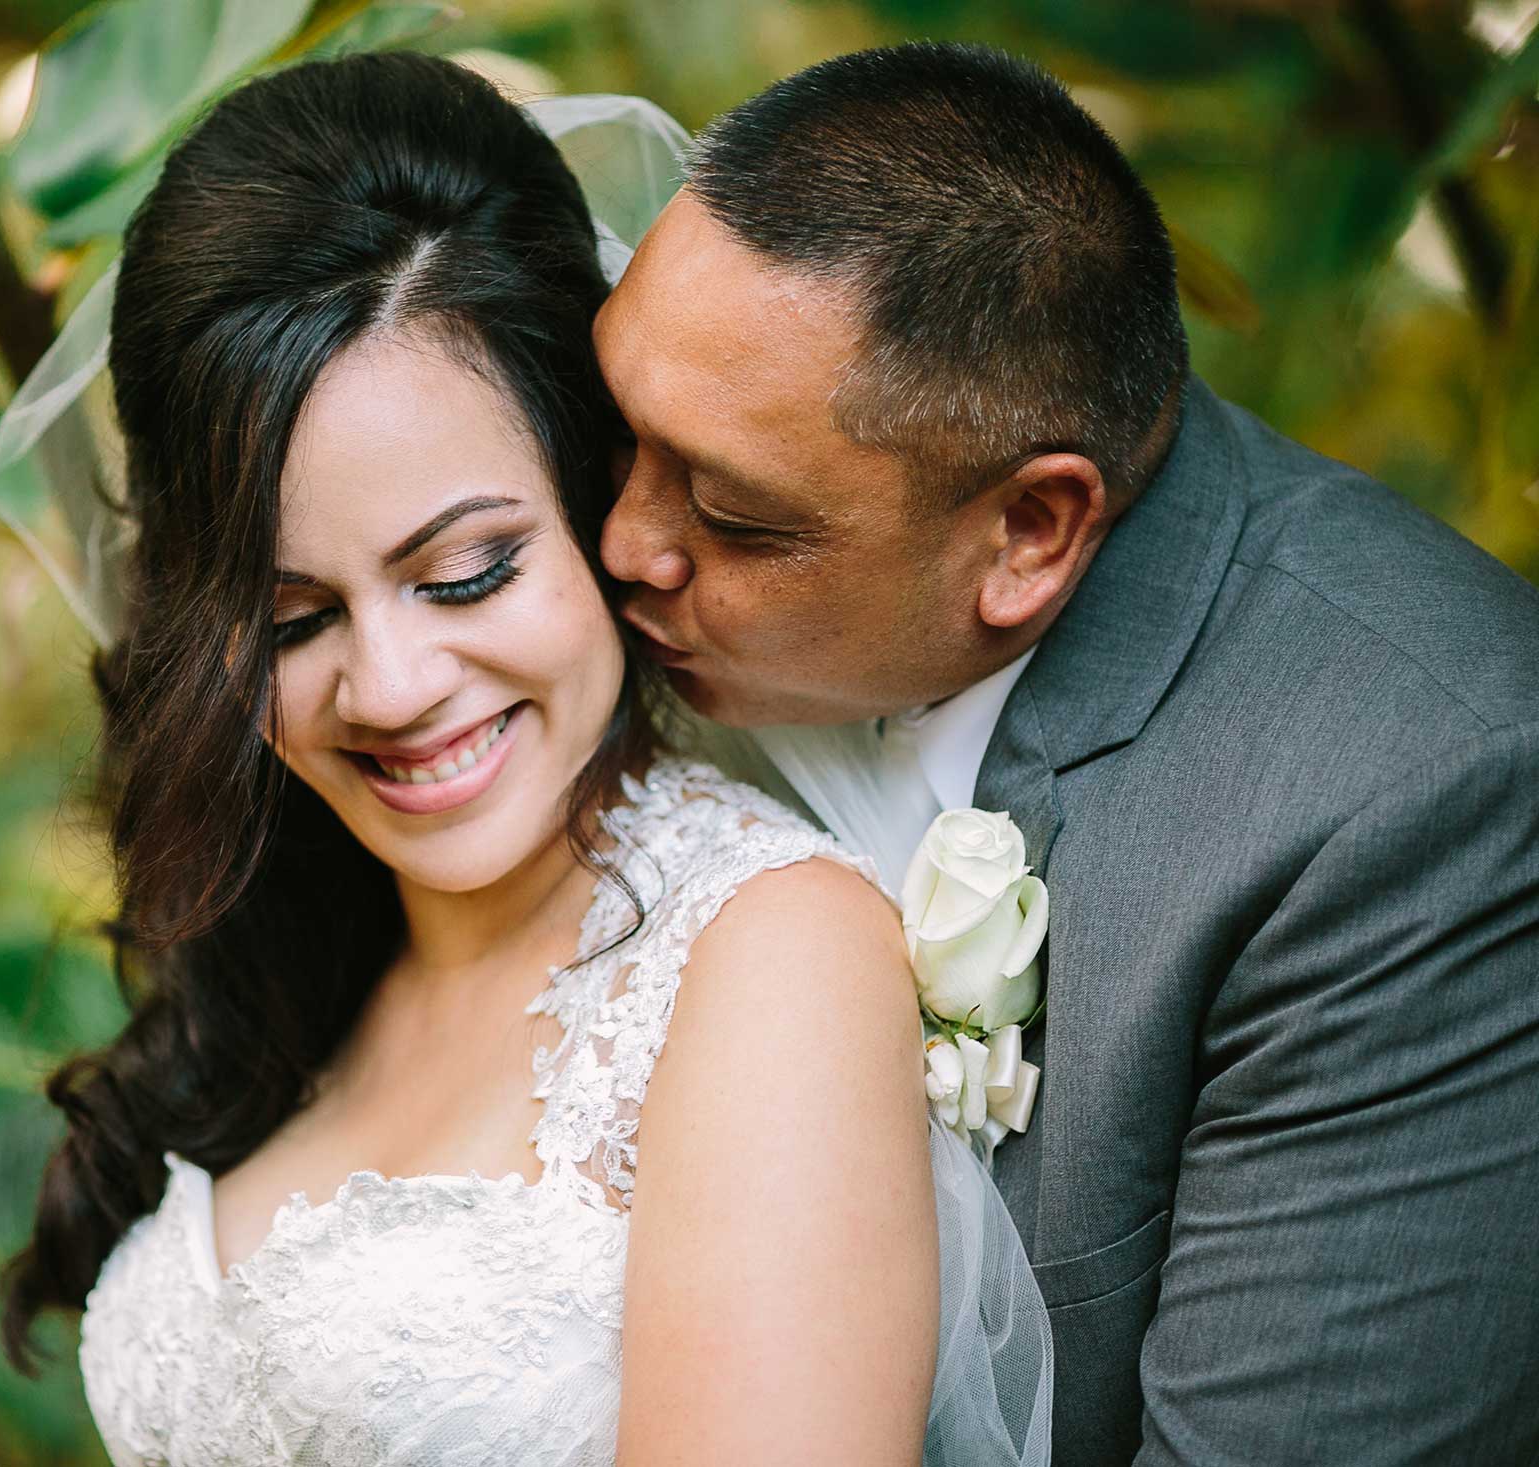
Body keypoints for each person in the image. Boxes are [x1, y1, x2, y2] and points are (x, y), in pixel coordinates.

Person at [0, 50, 1052, 1467]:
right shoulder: (297, 957)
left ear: (602, 498)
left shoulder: (766, 956)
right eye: (292, 615)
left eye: (468, 572)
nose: (389, 686)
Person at [594, 41, 1539, 1464]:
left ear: (1029, 534)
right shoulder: (556, 639)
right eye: (619, 432)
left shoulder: (1419, 799)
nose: (620, 546)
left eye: (736, 516)